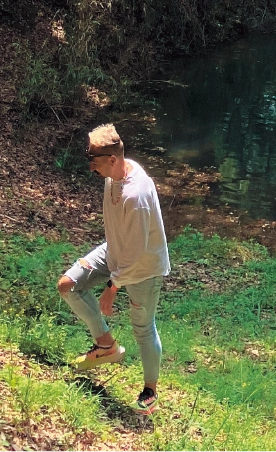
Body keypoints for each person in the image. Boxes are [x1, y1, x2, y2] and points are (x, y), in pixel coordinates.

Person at [56, 124, 171, 415]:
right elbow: (123, 246)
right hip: (115, 251)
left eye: (95, 163)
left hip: (144, 267)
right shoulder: (117, 173)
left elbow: (135, 254)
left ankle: (150, 391)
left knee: (143, 328)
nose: (92, 169)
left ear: (112, 160)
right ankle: (106, 346)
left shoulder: (137, 196)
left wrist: (111, 289)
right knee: (68, 285)